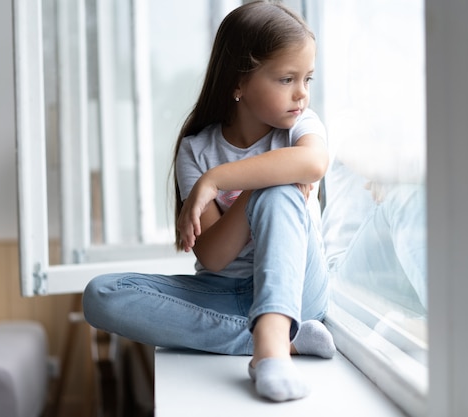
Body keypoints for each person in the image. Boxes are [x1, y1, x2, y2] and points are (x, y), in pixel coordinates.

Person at [83, 1, 335, 402]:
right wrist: (251, 189)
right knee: (101, 294)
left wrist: (218, 180)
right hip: (224, 291)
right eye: (287, 78)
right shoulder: (196, 150)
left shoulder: (300, 128)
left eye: (308, 78)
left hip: (299, 287)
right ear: (239, 82)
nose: (301, 93)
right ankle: (284, 335)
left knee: (279, 189)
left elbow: (314, 163)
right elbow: (214, 257)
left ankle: (270, 349)